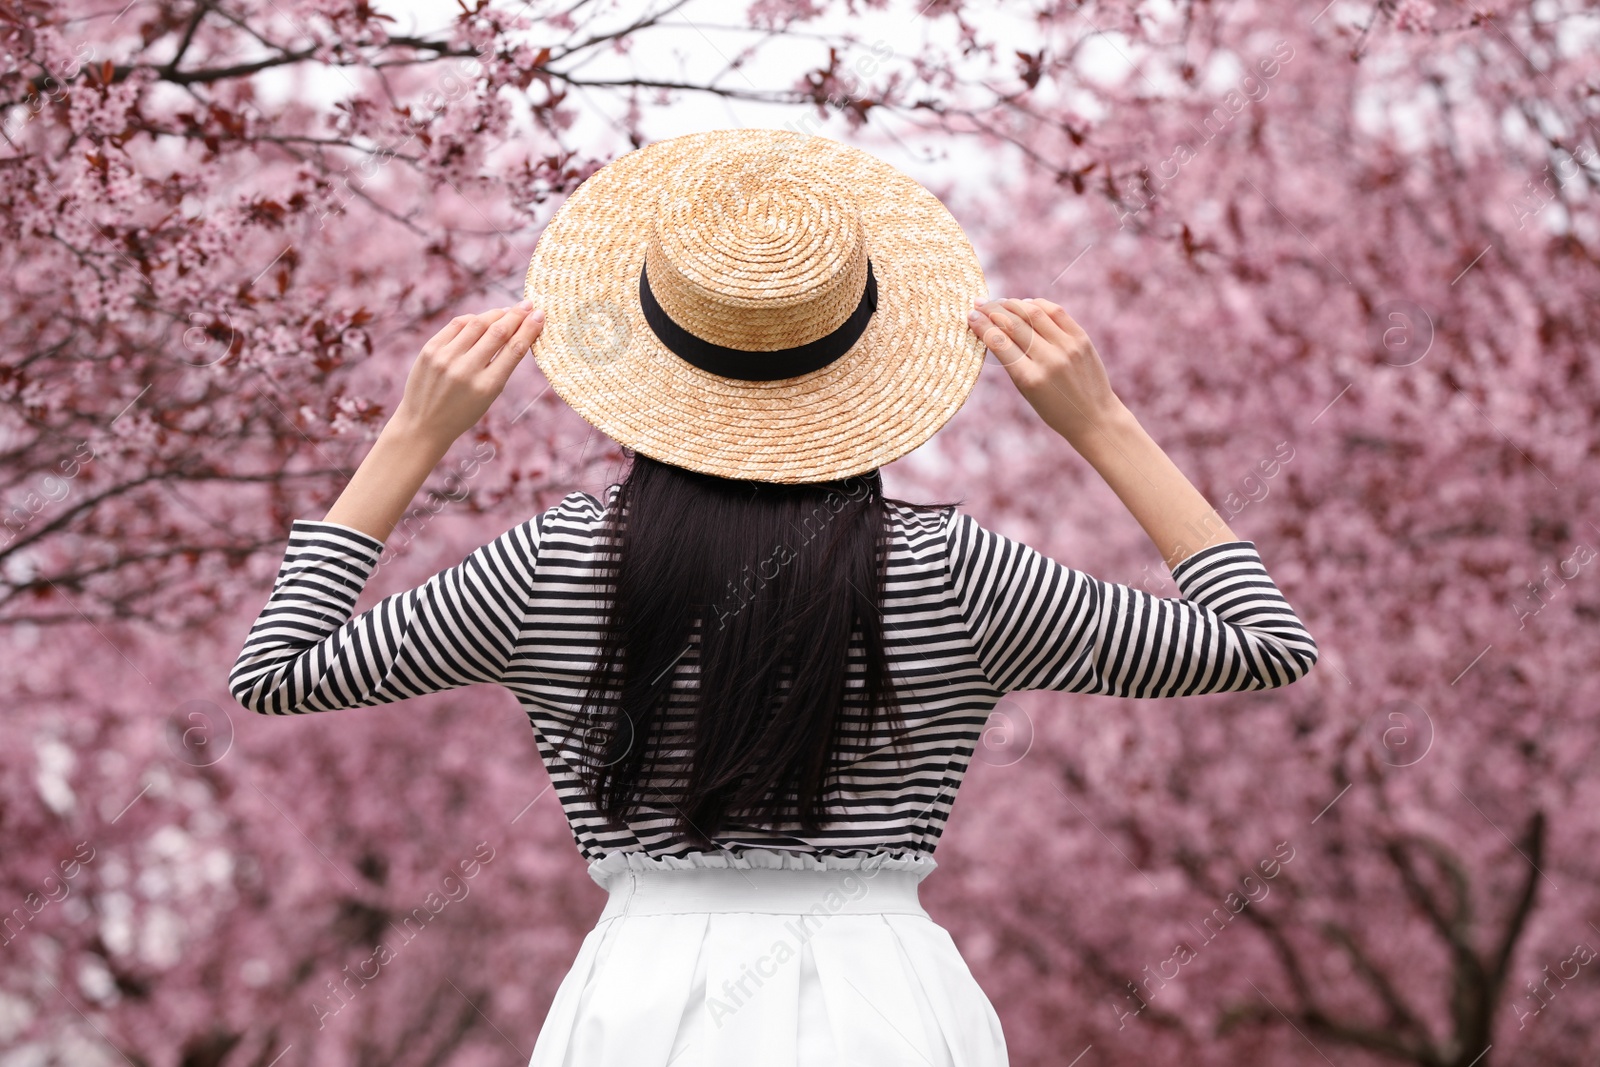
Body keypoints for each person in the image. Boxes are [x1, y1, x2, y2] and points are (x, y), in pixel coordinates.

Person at [229, 128, 1318, 1067]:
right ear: (865, 364)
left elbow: (278, 671)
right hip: (886, 997)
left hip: (641, 1000)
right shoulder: (949, 569)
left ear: (656, 358)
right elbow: (1261, 643)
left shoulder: (558, 562)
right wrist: (1102, 424)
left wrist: (413, 436)